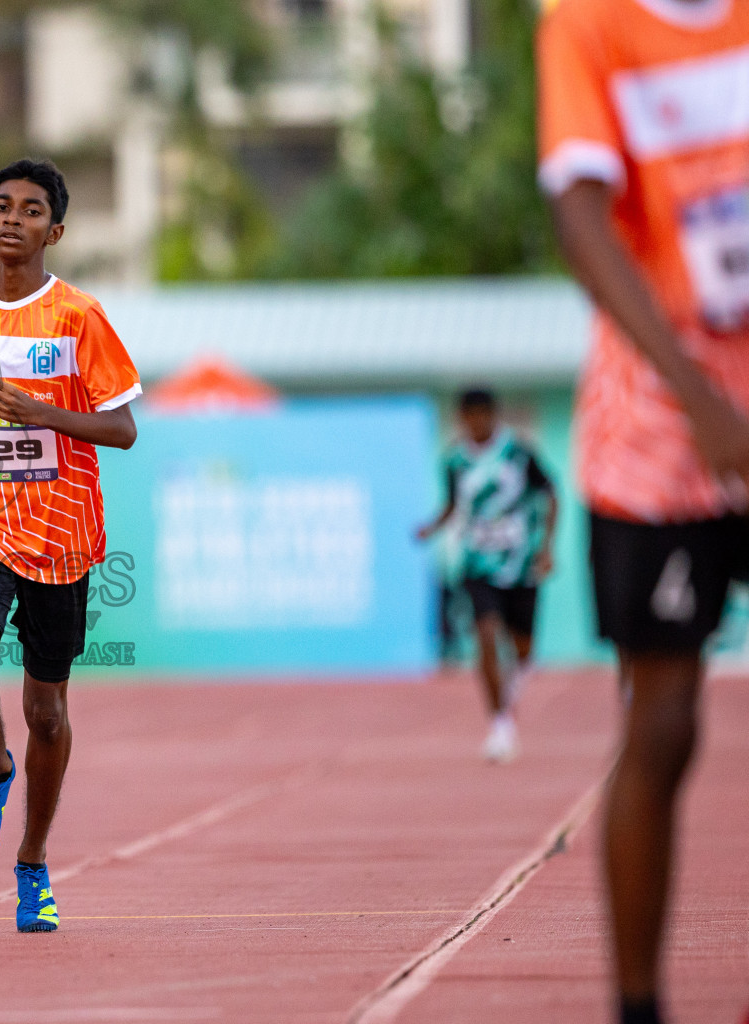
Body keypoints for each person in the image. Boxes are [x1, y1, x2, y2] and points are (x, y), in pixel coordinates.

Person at [538, 0, 749, 1020]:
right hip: (662, 426)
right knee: (663, 721)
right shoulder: (589, 26)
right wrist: (700, 396)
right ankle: (638, 1003)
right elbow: (579, 215)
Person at [0, 158, 141, 933]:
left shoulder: (78, 316)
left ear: (56, 230)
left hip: (61, 530)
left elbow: (122, 428)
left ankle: (33, 860)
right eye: (2, 206)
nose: (13, 219)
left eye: (32, 210)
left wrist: (44, 412)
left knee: (48, 711)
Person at [417, 388, 558, 762]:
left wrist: (546, 549)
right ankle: (500, 724)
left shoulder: (518, 454)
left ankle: (511, 688)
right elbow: (452, 504)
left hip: (520, 562)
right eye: (470, 417)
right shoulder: (454, 461)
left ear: (493, 416)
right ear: (462, 419)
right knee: (485, 633)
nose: (477, 424)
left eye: (483, 416)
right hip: (477, 563)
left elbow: (551, 494)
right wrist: (432, 527)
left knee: (523, 649)